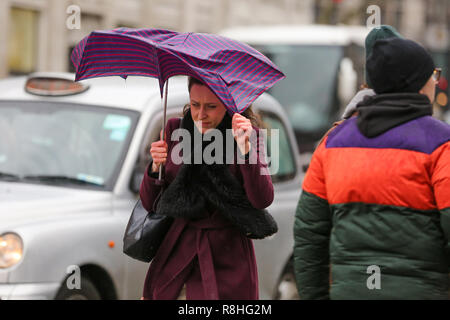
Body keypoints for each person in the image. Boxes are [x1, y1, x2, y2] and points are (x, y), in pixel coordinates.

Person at [293, 37, 450, 299]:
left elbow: (309, 234)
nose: (435, 82)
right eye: (432, 75)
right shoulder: (441, 143)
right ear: (417, 84)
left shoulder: (332, 143)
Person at [140, 76, 277, 300]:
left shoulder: (249, 135)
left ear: (228, 103)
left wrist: (245, 149)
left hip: (228, 262)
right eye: (195, 105)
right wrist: (155, 167)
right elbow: (149, 203)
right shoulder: (174, 129)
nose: (201, 114)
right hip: (175, 258)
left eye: (211, 107)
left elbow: (262, 199)